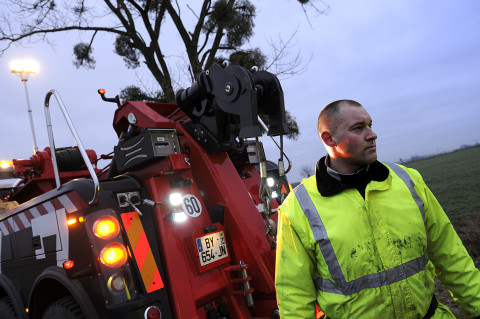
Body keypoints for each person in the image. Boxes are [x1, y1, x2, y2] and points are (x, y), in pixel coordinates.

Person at [275, 99, 480, 318]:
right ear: (329, 138)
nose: (372, 134)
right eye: (358, 128)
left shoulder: (408, 180)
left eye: (370, 125)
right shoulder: (298, 207)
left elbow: (451, 255)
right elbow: (294, 296)